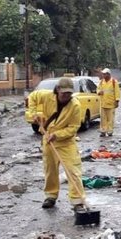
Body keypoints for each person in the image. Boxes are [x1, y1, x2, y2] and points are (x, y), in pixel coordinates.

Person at [30, 77, 86, 210]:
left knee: (73, 170)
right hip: (48, 139)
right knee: (50, 170)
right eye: (64, 93)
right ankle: (51, 195)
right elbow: (32, 97)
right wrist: (33, 113)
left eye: (69, 93)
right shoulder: (46, 96)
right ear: (57, 90)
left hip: (66, 142)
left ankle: (77, 201)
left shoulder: (75, 105)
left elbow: (73, 127)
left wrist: (57, 135)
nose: (66, 96)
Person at [97, 68, 121, 137]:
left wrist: (117, 101)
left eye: (104, 74)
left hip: (111, 104)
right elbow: (98, 89)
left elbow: (117, 92)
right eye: (103, 74)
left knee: (110, 119)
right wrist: (99, 92)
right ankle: (103, 131)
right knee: (103, 119)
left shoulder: (114, 82)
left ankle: (110, 131)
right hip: (103, 103)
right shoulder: (101, 82)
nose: (103, 75)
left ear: (108, 74)